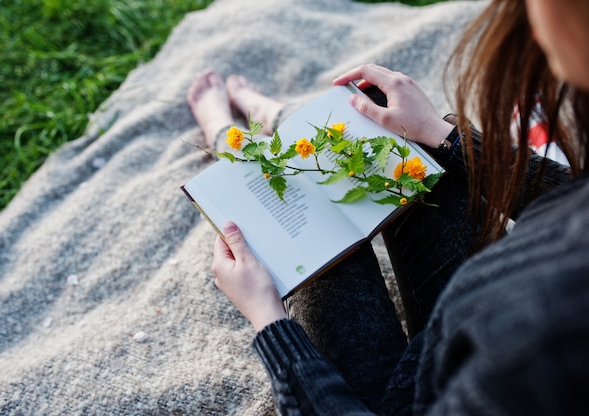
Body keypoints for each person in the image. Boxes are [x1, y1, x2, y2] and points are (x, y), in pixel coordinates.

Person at [186, 0, 589, 413]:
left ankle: (226, 139)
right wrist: (442, 135)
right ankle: (275, 117)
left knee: (308, 222)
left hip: (412, 397)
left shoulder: (546, 362)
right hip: (481, 309)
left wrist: (267, 320)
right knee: (401, 145)